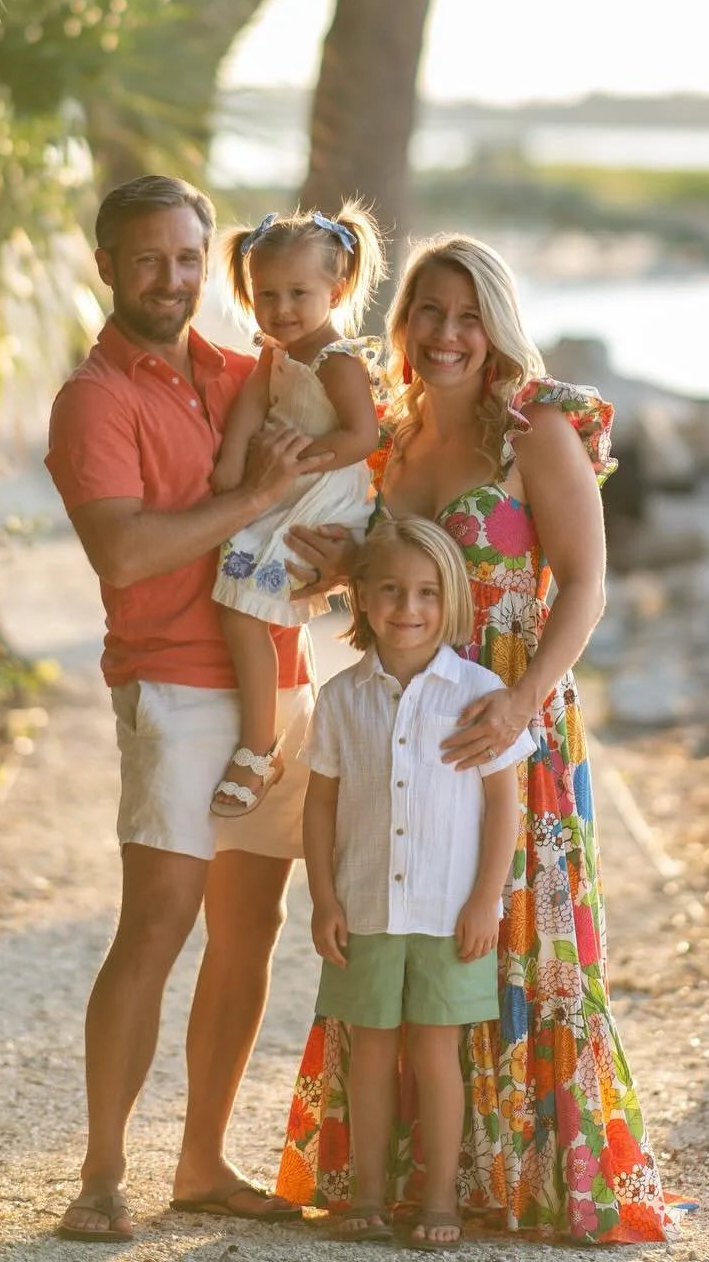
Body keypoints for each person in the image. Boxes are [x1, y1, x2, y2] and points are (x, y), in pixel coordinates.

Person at [277, 235, 678, 1243]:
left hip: (508, 719)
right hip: (401, 727)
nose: (447, 335)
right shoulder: (390, 438)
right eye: (428, 313)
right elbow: (396, 576)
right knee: (396, 919)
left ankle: (516, 1175)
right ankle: (396, 1180)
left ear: (494, 325)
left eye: (467, 316)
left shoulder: (533, 430)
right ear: (403, 323)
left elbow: (585, 584)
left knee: (512, 938)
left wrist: (526, 702)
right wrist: (337, 570)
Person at [45, 174, 324, 1243]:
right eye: (149, 257)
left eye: (189, 257)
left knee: (250, 931)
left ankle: (202, 1163)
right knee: (156, 927)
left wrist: (337, 561)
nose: (173, 277)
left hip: (277, 681)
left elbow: (331, 488)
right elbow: (123, 550)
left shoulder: (252, 370)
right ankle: (102, 1174)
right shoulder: (94, 398)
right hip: (175, 684)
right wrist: (251, 498)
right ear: (107, 264)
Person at [303, 515, 533, 1252]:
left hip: (447, 912)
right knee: (370, 1053)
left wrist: (485, 900)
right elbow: (321, 802)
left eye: (429, 592)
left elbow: (504, 803)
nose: (410, 607)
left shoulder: (479, 692)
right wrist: (324, 899)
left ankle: (440, 1200)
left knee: (437, 1055)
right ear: (363, 597)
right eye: (393, 590)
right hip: (365, 906)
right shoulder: (341, 698)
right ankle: (369, 1195)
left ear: (452, 601)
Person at [209, 205, 385, 818]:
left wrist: (297, 463)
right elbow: (251, 409)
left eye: (299, 294)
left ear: (335, 291)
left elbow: (363, 436)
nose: (281, 309)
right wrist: (232, 469)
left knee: (240, 610)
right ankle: (279, 726)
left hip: (320, 493)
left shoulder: (338, 360)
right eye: (267, 295)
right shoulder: (276, 352)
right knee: (239, 599)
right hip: (284, 487)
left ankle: (260, 748)